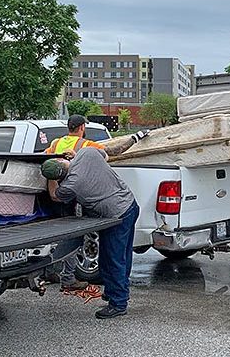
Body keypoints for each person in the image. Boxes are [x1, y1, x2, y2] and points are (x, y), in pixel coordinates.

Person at [44, 114, 148, 292]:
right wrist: (136, 137)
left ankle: (114, 293)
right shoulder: (87, 148)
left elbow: (46, 165)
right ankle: (116, 293)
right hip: (112, 205)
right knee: (116, 256)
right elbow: (111, 153)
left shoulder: (55, 144)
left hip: (69, 201)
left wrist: (51, 176)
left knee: (106, 253)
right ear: (82, 128)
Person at [41, 147, 140, 319]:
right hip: (129, 204)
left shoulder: (71, 184)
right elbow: (106, 156)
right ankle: (114, 291)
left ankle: (118, 303)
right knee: (122, 255)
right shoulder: (87, 153)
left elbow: (55, 196)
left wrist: (50, 180)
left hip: (115, 215)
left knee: (112, 260)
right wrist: (74, 156)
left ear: (59, 177)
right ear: (62, 160)